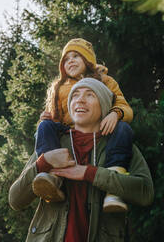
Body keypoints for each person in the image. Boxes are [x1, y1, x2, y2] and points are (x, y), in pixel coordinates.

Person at [9, 78, 154, 241]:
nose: (80, 99)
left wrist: (89, 173)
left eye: (90, 95)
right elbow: (16, 200)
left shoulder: (122, 145)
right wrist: (44, 162)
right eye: (75, 95)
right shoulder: (52, 144)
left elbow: (146, 193)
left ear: (104, 106)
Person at [34, 38, 133, 212]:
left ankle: (114, 189)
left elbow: (124, 106)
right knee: (44, 127)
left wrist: (115, 114)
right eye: (66, 59)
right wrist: (46, 118)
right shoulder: (59, 87)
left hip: (100, 128)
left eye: (76, 56)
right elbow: (54, 117)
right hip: (70, 133)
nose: (70, 61)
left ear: (88, 60)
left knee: (124, 129)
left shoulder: (105, 80)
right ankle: (52, 177)